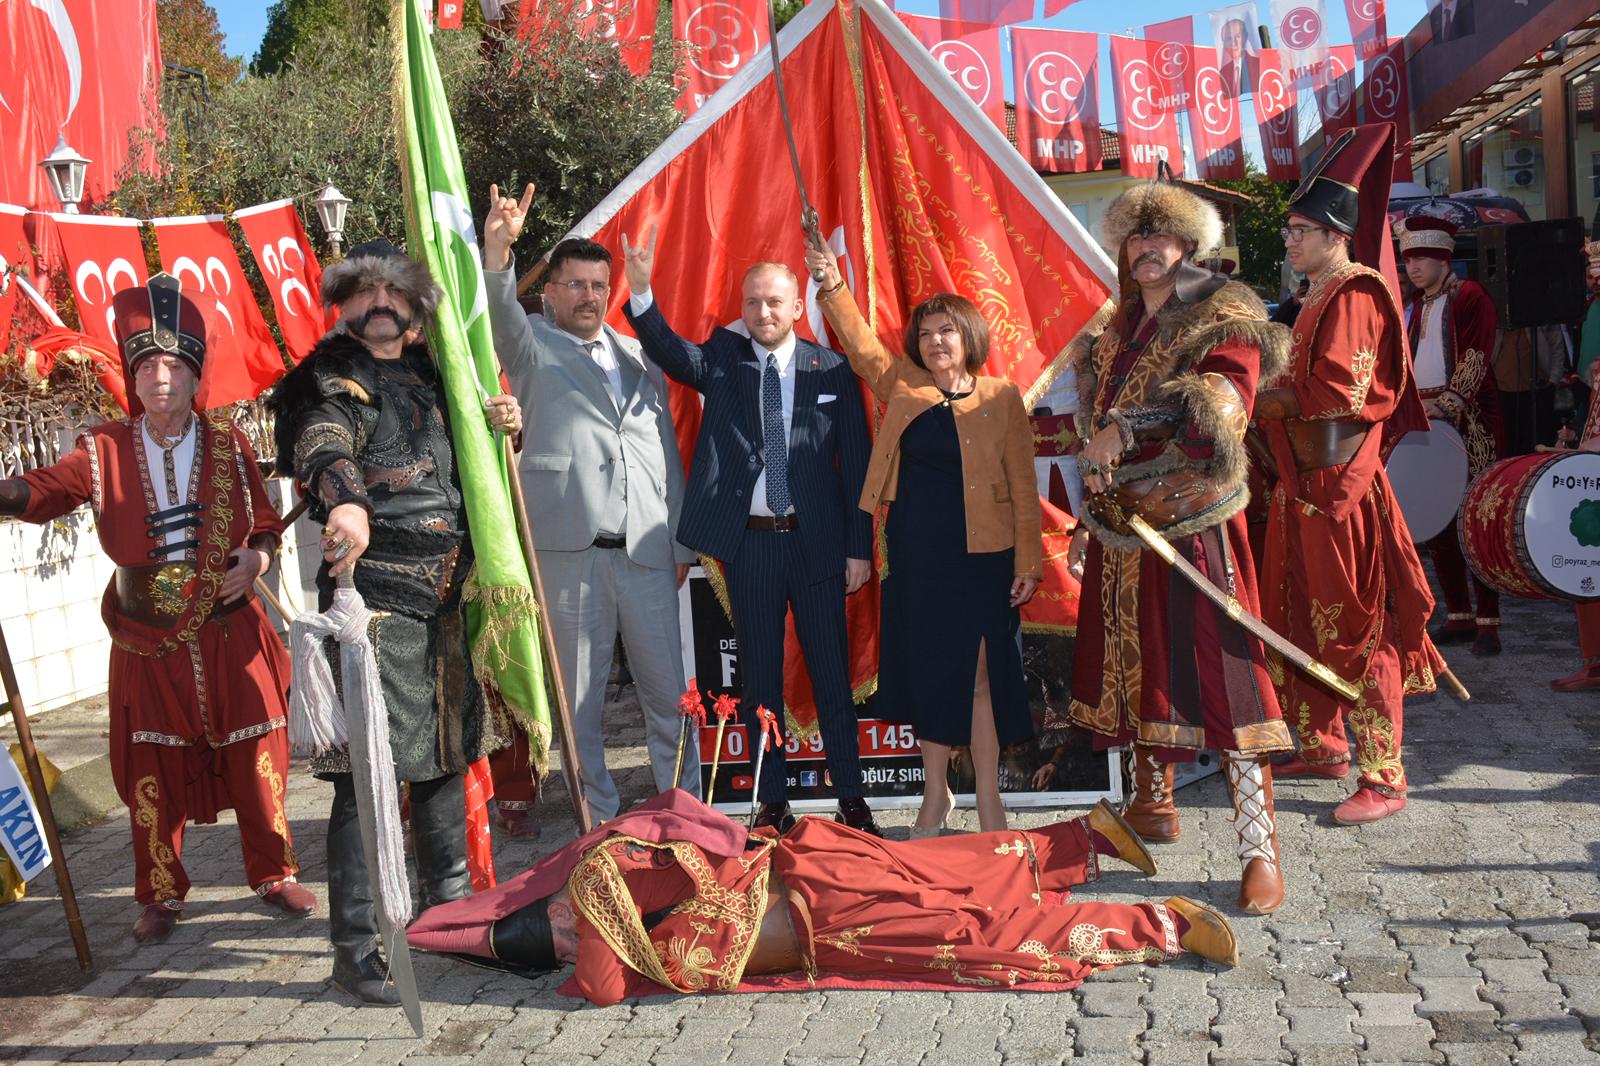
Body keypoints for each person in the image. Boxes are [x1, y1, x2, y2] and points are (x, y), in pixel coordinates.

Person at [0, 274, 314, 943]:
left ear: (195, 376)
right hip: (143, 637)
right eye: (146, 366)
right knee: (151, 767)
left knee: (257, 749)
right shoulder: (102, 449)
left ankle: (274, 872)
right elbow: (46, 490)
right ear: (132, 378)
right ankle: (161, 894)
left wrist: (258, 560)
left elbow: (264, 524)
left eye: (173, 365)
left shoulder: (229, 442)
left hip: (231, 630)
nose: (160, 377)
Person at [269, 239, 521, 1005]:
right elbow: (323, 444)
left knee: (445, 760)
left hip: (449, 602)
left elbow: (474, 464)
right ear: (344, 302)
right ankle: (355, 951)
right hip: (374, 603)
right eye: (365, 290)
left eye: (394, 290)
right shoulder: (324, 377)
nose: (381, 303)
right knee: (365, 782)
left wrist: (505, 424)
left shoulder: (441, 372)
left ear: (414, 303)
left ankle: (449, 922)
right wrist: (345, 502)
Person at [407, 789, 1242, 1004]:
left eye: (555, 925)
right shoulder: (615, 929)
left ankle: (1150, 916)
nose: (571, 936)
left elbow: (687, 824)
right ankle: (1097, 855)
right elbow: (599, 984)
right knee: (954, 882)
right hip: (823, 921)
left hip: (815, 890)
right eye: (558, 945)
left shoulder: (608, 874)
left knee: (972, 929)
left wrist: (583, 901)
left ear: (549, 898)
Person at [1058, 178, 1293, 915]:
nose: (1147, 248)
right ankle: (1151, 804)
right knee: (1137, 666)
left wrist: (1126, 428)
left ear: (1189, 245)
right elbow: (1089, 434)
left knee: (1228, 678)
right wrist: (1087, 514)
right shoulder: (1118, 326)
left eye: (1161, 235)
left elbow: (1224, 400)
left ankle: (1259, 849)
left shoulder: (1226, 311)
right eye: (1136, 235)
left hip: (1193, 524)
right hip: (1121, 524)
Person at [618, 229, 879, 836]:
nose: (763, 312)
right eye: (753, 302)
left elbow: (858, 468)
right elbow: (669, 351)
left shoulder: (832, 369)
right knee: (760, 679)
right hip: (752, 547)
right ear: (743, 307)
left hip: (817, 547)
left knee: (830, 678)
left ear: (797, 307)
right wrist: (641, 289)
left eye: (774, 302)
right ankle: (771, 803)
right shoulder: (722, 360)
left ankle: (853, 800)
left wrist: (858, 548)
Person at [801, 238, 1042, 836]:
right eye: (927, 333)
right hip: (918, 555)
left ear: (969, 338)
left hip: (986, 560)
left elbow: (1022, 484)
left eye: (947, 331)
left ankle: (989, 799)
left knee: (981, 679)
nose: (936, 341)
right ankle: (936, 795)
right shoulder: (905, 384)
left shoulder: (1002, 397)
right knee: (934, 678)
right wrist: (831, 284)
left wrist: (1028, 561)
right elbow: (862, 347)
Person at [481, 183, 698, 828]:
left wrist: (679, 542)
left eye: (598, 285)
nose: (588, 296)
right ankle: (595, 822)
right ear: (550, 293)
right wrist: (498, 251)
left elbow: (665, 452)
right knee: (579, 706)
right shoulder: (532, 346)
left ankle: (683, 814)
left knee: (670, 698)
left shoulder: (637, 354)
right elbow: (499, 313)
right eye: (574, 284)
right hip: (568, 555)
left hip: (647, 554)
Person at [1253, 125, 1445, 827]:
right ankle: (1325, 745)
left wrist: (1250, 397)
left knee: (1360, 628)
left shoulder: (1354, 293)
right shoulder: (1314, 294)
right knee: (1303, 619)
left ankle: (1385, 774)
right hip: (1303, 483)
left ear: (1337, 234)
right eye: (1289, 231)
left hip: (1341, 487)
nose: (1290, 242)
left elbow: (1339, 395)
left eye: (1300, 231)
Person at [1396, 216, 1505, 656]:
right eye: (1408, 260)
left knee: (1477, 515)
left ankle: (1489, 622)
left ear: (1444, 259)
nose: (1413, 267)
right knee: (1436, 514)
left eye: (1422, 258)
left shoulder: (1471, 296)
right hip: (1426, 418)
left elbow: (1477, 354)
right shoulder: (1419, 305)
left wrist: (1450, 401)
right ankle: (1459, 614)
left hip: (1470, 417)